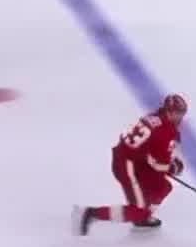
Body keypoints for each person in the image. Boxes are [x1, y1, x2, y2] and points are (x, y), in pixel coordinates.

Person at [76, 93, 187, 234]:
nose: (180, 117)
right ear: (168, 111)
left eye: (182, 113)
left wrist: (171, 162)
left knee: (163, 187)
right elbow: (158, 164)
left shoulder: (156, 118)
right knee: (138, 210)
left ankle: (142, 216)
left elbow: (156, 148)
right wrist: (173, 167)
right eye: (177, 113)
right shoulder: (164, 131)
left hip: (135, 161)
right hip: (127, 166)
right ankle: (90, 213)